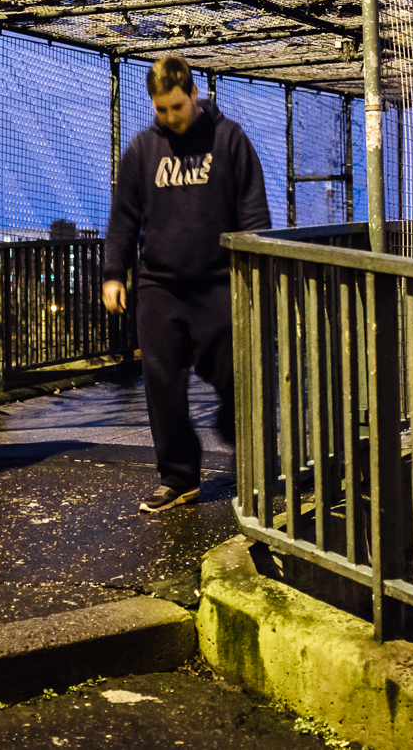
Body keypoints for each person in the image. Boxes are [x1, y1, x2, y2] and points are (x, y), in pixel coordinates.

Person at [103, 56, 269, 513]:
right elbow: (122, 218)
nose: (170, 117)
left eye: (176, 107)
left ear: (194, 94)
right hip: (160, 286)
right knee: (161, 382)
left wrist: (256, 273)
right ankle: (179, 478)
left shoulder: (229, 139)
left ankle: (245, 441)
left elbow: (254, 211)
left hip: (219, 282)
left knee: (233, 376)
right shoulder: (142, 150)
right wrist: (114, 273)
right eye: (161, 110)